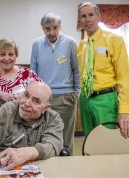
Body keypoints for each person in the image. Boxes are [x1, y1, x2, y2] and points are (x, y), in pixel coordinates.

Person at [0, 82, 64, 171]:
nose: (26, 103)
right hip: (1, 169)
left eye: (36, 101)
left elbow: (53, 144)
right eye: (26, 96)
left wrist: (31, 152)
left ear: (45, 108)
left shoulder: (53, 118)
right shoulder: (8, 110)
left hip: (40, 169)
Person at [77, 2, 129, 138]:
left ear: (99, 17)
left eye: (91, 15)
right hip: (85, 100)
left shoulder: (115, 41)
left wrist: (124, 111)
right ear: (80, 20)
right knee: (89, 141)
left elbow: (123, 78)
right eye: (83, 16)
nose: (87, 19)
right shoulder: (81, 46)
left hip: (105, 100)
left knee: (106, 142)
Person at [30, 12, 80, 155]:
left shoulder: (70, 42)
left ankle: (67, 167)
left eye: (55, 28)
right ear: (42, 28)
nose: (51, 32)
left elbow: (76, 70)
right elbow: (33, 72)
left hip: (66, 97)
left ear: (60, 27)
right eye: (47, 28)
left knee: (65, 136)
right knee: (42, 134)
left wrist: (76, 94)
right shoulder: (37, 44)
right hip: (43, 98)